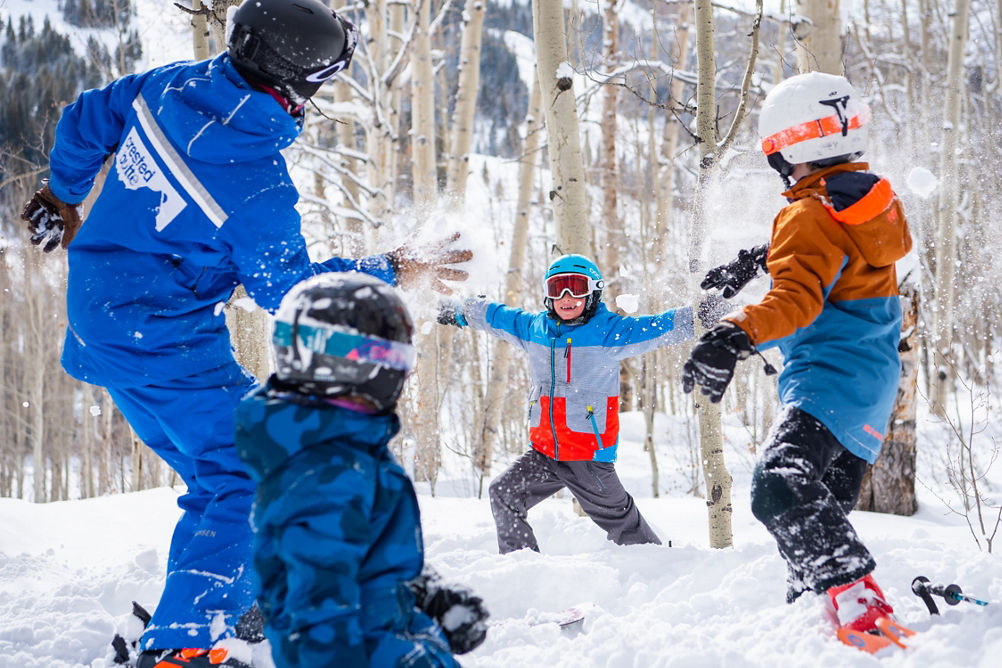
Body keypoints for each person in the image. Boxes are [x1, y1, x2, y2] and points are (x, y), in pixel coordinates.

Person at [19, 1, 470, 666]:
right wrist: (392, 267)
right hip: (164, 338)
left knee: (220, 477)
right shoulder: (255, 184)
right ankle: (183, 646)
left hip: (102, 317)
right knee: (259, 472)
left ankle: (225, 597)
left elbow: (87, 119)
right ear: (294, 88)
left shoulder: (169, 85)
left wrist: (63, 193)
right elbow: (289, 294)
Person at [683, 72, 913, 637]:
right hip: (872, 387)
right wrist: (759, 258)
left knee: (777, 484)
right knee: (811, 527)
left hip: (828, 379)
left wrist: (732, 335)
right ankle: (819, 628)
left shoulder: (806, 215)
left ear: (786, 148)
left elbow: (798, 298)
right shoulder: (864, 204)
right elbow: (831, 257)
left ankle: (861, 601)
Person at [234, 272, 488, 668]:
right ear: (367, 369)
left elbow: (360, 556)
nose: (406, 374)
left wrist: (424, 594)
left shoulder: (336, 452)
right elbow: (315, 618)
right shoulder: (326, 474)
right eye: (399, 360)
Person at [438, 254, 724, 553]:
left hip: (587, 456)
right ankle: (521, 563)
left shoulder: (608, 332)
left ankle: (658, 563)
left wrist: (697, 315)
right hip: (544, 452)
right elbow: (497, 316)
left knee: (624, 526)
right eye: (557, 288)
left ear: (593, 292)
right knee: (504, 493)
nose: (566, 297)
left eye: (576, 287)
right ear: (547, 294)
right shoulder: (535, 329)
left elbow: (655, 327)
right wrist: (461, 310)